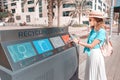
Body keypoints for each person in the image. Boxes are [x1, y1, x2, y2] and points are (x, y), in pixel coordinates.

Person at [73, 11, 107, 80]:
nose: (89, 21)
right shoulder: (94, 29)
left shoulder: (101, 31)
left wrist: (78, 42)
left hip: (96, 54)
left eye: (90, 20)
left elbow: (92, 45)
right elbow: (86, 35)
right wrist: (77, 36)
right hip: (91, 54)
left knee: (94, 73)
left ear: (96, 20)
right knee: (90, 72)